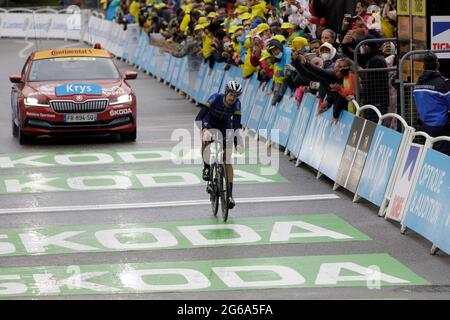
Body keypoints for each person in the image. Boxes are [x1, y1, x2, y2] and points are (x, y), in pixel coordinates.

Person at [195, 81, 244, 209]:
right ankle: (206, 167)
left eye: (236, 96)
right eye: (231, 95)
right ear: (226, 93)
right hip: (209, 124)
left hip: (225, 128)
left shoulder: (237, 105)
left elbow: (236, 126)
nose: (233, 98)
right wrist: (205, 130)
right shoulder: (215, 98)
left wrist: (237, 142)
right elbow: (199, 118)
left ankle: (229, 195)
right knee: (205, 139)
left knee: (227, 160)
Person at [413, 52, 450, 156]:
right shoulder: (443, 83)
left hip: (425, 126)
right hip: (441, 127)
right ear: (437, 64)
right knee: (443, 157)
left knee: (428, 155)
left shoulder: (418, 84)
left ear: (424, 66)